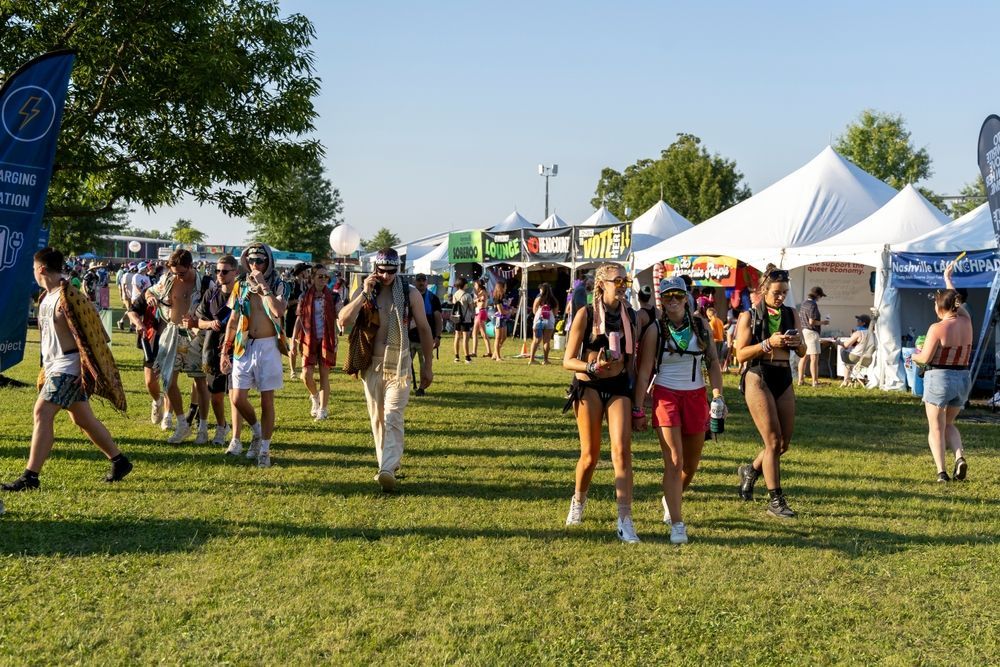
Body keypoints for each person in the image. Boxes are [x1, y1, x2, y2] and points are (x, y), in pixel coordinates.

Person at [2, 248, 132, 491]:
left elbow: (95, 334)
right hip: (55, 367)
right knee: (82, 418)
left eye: (33, 267)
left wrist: (90, 368)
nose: (33, 271)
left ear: (41, 269)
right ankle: (119, 460)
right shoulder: (45, 298)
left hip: (69, 367)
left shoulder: (70, 296)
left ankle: (30, 477)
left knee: (42, 412)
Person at [633, 277, 727, 544]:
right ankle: (677, 524)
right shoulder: (655, 330)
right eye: (667, 297)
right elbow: (643, 374)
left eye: (677, 296)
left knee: (690, 465)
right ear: (661, 300)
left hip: (696, 397)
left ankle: (669, 498)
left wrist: (718, 397)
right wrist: (638, 408)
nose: (673, 301)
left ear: (686, 298)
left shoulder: (700, 326)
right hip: (666, 396)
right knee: (674, 461)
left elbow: (714, 365)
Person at [338, 248, 434, 492]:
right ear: (374, 268)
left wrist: (427, 367)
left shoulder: (410, 293)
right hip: (371, 362)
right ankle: (386, 465)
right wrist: (363, 295)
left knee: (392, 415)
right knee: (377, 418)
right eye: (382, 271)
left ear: (398, 270)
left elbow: (424, 329)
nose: (386, 276)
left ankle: (388, 468)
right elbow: (343, 320)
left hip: (399, 363)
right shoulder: (364, 290)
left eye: (391, 271)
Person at [562, 263, 639, 543]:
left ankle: (625, 518)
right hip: (589, 384)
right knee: (590, 455)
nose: (622, 285)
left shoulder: (630, 316)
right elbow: (567, 361)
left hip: (618, 386)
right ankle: (578, 501)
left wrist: (638, 400)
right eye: (616, 280)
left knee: (622, 452)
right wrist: (593, 367)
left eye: (625, 280)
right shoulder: (587, 313)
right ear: (601, 283)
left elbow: (633, 364)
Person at [734, 266, 806, 519]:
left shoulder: (791, 313)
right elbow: (740, 354)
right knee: (773, 442)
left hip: (784, 375)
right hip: (758, 375)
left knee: (783, 444)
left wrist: (798, 344)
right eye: (776, 292)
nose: (781, 297)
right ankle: (776, 500)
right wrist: (766, 344)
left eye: (785, 292)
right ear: (764, 290)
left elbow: (804, 351)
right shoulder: (749, 315)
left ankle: (751, 470)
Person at [220, 243, 288, 467]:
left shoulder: (279, 283)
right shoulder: (240, 285)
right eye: (251, 261)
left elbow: (278, 311)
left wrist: (263, 285)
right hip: (244, 345)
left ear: (268, 261)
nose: (255, 265)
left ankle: (265, 451)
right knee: (237, 398)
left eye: (260, 261)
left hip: (269, 346)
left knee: (267, 401)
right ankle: (257, 431)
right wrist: (225, 350)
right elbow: (233, 320)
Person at [911, 264, 973, 482]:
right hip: (963, 378)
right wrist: (947, 279)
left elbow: (926, 358)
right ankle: (959, 456)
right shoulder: (967, 322)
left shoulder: (936, 328)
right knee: (949, 424)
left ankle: (942, 472)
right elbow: (957, 302)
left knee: (935, 427)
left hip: (939, 378)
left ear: (939, 308)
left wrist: (914, 356)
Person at [145, 249, 210, 445]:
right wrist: (150, 296)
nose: (177, 276)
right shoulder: (168, 280)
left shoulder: (205, 283)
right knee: (168, 381)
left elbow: (215, 308)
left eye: (181, 272)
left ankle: (203, 427)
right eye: (174, 272)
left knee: (200, 382)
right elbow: (150, 290)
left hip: (196, 336)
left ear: (191, 266)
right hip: (172, 333)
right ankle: (182, 424)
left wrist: (200, 322)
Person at [195, 254, 239, 446]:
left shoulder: (242, 294)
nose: (220, 274)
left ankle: (236, 436)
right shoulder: (210, 294)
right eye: (217, 271)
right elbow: (199, 321)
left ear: (235, 273)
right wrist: (209, 323)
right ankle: (222, 427)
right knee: (216, 396)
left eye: (225, 271)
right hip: (213, 348)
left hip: (237, 349)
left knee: (235, 396)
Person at [294, 264, 340, 420]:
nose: (323, 279)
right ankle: (314, 396)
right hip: (308, 340)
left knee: (324, 376)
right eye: (320, 276)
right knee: (306, 375)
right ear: (312, 278)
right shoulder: (304, 296)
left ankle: (323, 409)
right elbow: (299, 319)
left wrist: (341, 325)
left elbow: (341, 315)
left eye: (326, 277)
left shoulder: (334, 296)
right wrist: (294, 340)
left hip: (327, 340)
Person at [410, 273, 442, 395]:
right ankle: (405, 387)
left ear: (427, 282)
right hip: (409, 338)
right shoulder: (408, 297)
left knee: (425, 367)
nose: (421, 282)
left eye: (423, 280)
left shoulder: (433, 299)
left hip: (426, 340)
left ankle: (421, 388)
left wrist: (438, 336)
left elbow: (438, 319)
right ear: (415, 281)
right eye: (419, 280)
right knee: (404, 365)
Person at [797, 286, 829, 387]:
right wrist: (823, 322)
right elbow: (812, 322)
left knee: (804, 357)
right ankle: (815, 382)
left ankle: (800, 380)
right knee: (814, 357)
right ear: (818, 296)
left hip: (804, 331)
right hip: (811, 332)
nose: (820, 299)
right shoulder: (813, 305)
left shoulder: (804, 303)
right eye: (820, 296)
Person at [285, 262, 311, 381]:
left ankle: (303, 369)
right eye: (306, 271)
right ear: (301, 272)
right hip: (292, 317)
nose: (308, 273)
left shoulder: (307, 285)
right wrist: (299, 301)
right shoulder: (290, 285)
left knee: (304, 344)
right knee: (293, 345)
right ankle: (293, 371)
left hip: (305, 318)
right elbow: (286, 304)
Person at [837, 314, 874, 387]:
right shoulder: (873, 334)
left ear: (863, 323)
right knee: (850, 354)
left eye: (858, 320)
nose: (857, 322)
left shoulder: (858, 333)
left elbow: (846, 345)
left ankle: (846, 380)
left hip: (855, 358)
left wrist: (838, 342)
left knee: (843, 350)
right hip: (868, 360)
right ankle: (850, 379)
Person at [528, 283, 559, 365]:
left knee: (536, 340)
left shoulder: (539, 298)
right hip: (549, 320)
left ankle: (531, 359)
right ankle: (545, 360)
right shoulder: (554, 300)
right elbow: (555, 312)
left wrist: (538, 314)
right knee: (547, 341)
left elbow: (534, 309)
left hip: (539, 320)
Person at [451, 278, 474, 363]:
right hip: (466, 319)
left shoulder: (455, 294)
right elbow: (471, 308)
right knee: (465, 338)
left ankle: (456, 357)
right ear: (464, 285)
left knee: (457, 337)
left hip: (457, 318)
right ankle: (467, 357)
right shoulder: (467, 295)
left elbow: (454, 305)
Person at [471, 280, 492, 358]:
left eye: (475, 284)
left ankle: (489, 352)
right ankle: (474, 352)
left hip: (481, 312)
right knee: (474, 333)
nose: (474, 286)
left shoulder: (482, 291)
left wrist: (476, 299)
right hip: (479, 313)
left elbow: (478, 299)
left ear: (479, 285)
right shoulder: (481, 292)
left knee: (483, 334)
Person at [491, 281, 511, 361]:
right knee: (498, 338)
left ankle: (495, 354)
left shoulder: (503, 297)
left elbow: (505, 308)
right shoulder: (497, 298)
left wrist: (510, 307)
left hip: (503, 319)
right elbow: (501, 311)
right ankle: (498, 357)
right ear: (501, 288)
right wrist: (510, 312)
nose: (506, 288)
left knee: (504, 337)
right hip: (498, 319)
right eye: (505, 287)